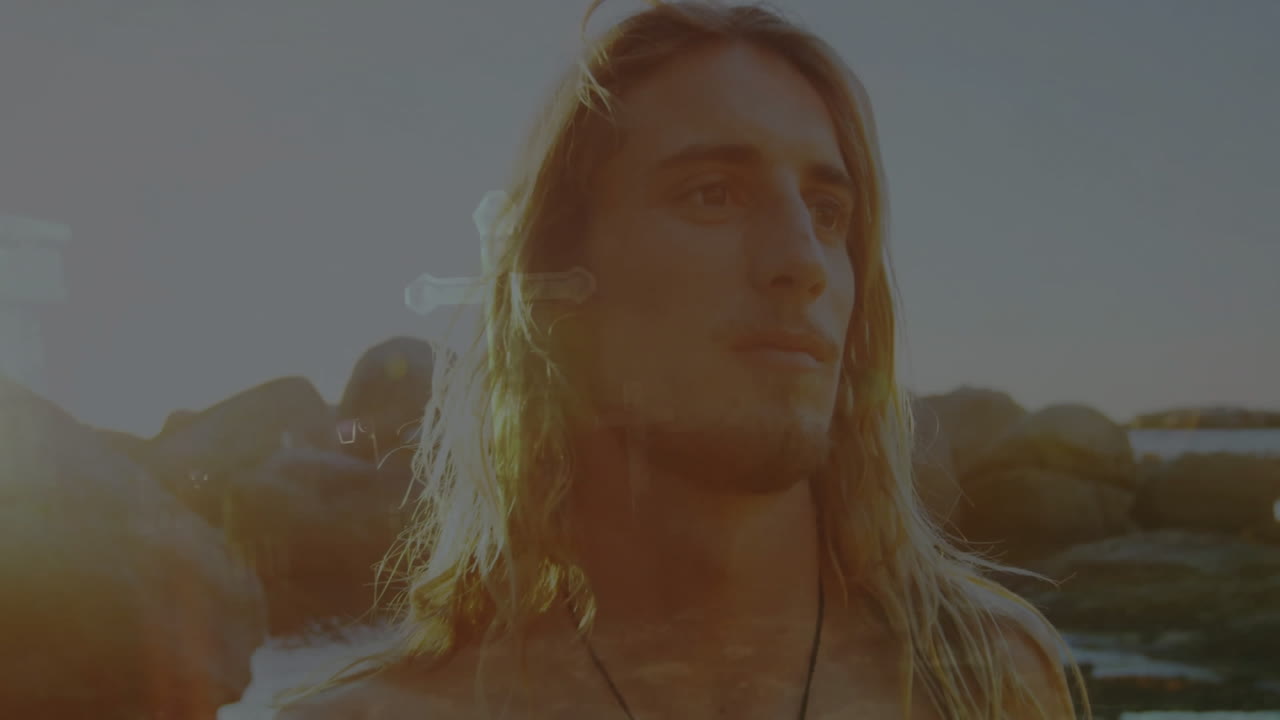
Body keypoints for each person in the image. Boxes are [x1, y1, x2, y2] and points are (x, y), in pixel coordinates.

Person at [276, 1, 1091, 718]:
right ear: (558, 287)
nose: (802, 259)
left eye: (827, 210)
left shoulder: (985, 686)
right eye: (713, 194)